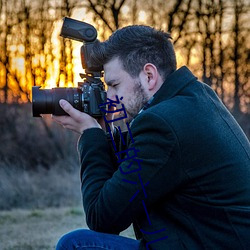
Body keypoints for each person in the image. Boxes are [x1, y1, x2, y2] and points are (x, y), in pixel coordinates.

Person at [53, 25, 250, 250]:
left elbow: (103, 218)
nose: (109, 97)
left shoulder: (162, 124)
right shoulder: (195, 97)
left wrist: (90, 135)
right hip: (213, 240)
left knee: (76, 244)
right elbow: (133, 179)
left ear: (149, 75)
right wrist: (106, 132)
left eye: (114, 85)